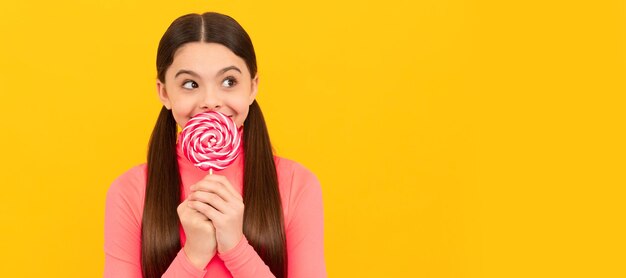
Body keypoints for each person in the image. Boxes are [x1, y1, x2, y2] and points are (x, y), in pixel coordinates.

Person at [104, 12, 326, 278]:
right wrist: (193, 254)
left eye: (229, 81)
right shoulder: (129, 192)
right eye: (190, 84)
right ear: (164, 92)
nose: (211, 100)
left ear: (253, 87)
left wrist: (234, 246)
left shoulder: (297, 185)